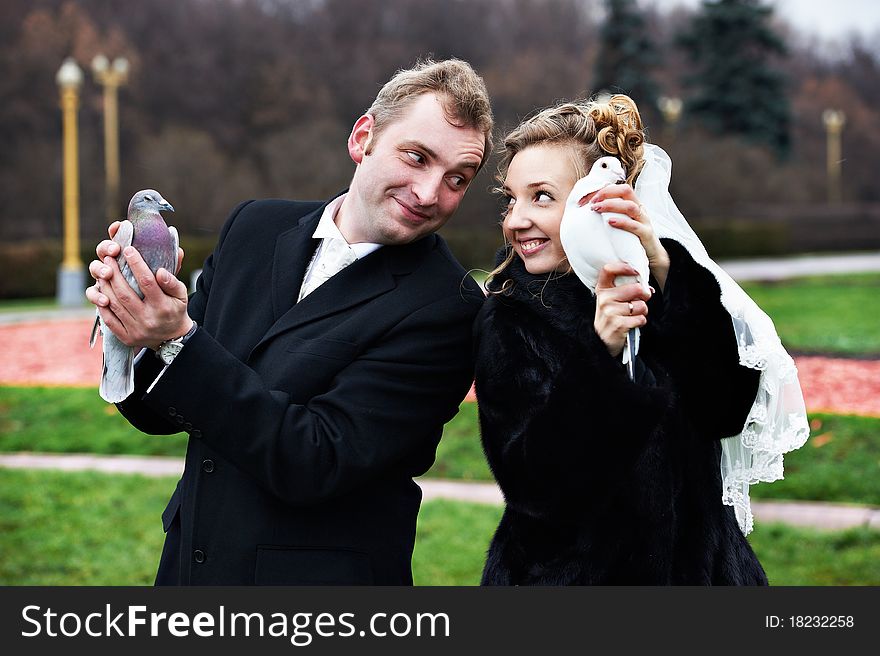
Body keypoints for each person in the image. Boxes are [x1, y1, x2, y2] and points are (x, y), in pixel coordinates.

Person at [85, 58, 493, 585]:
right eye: (416, 157)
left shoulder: (450, 308)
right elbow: (161, 412)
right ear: (363, 137)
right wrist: (131, 324)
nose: (430, 193)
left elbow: (315, 461)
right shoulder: (253, 226)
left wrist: (177, 339)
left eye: (457, 179)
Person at [474, 96, 808, 585]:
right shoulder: (511, 318)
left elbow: (726, 411)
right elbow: (535, 489)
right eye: (511, 198)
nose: (515, 220)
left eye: (541, 196)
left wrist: (669, 273)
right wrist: (599, 355)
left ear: (604, 198)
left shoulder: (668, 293)